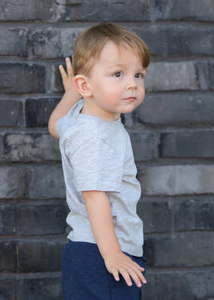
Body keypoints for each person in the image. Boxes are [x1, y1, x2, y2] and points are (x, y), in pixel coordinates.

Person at [48, 22, 150, 300]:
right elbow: (94, 197)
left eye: (138, 74)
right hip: (103, 253)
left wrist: (71, 94)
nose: (132, 83)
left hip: (90, 250)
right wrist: (113, 254)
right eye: (118, 74)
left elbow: (55, 125)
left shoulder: (80, 121)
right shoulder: (96, 137)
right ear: (86, 84)